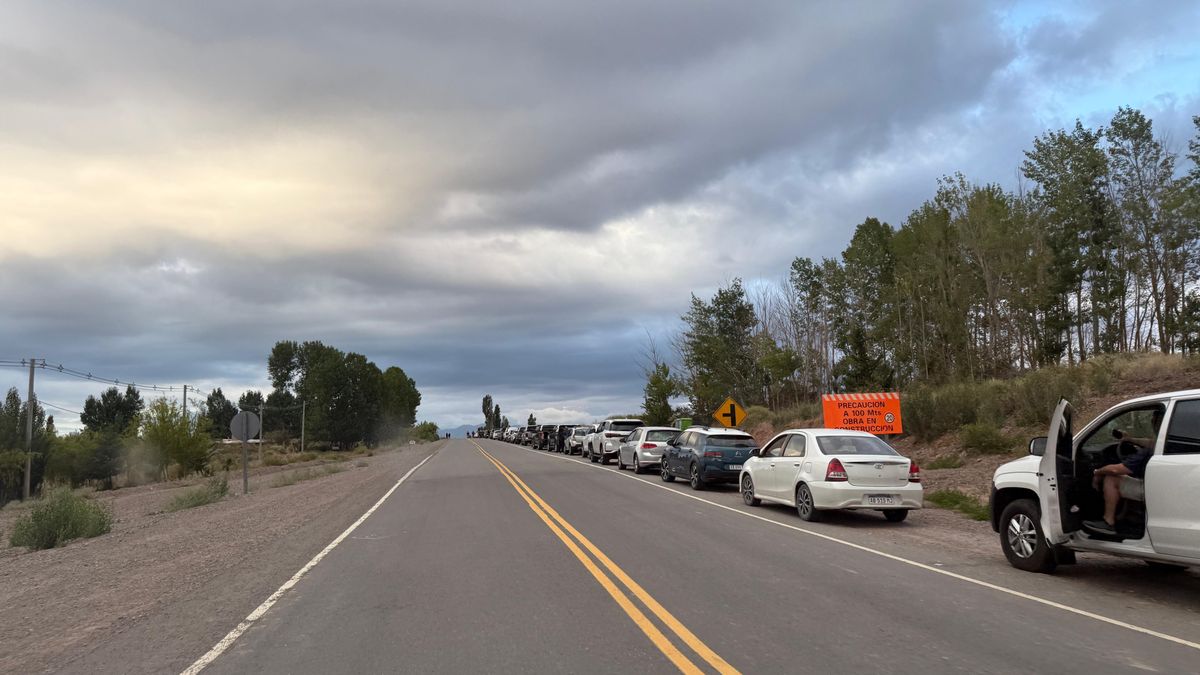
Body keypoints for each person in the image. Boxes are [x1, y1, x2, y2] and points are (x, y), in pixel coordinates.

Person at [1083, 409, 1164, 535]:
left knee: (1112, 478)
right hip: (1161, 483)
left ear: (1160, 423)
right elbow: (1152, 443)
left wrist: (1098, 472)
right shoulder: (1168, 441)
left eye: (1154, 420)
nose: (1152, 422)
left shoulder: (1146, 453)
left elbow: (1116, 469)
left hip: (1152, 487)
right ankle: (1127, 516)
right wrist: (1130, 439)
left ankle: (1108, 521)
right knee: (1129, 477)